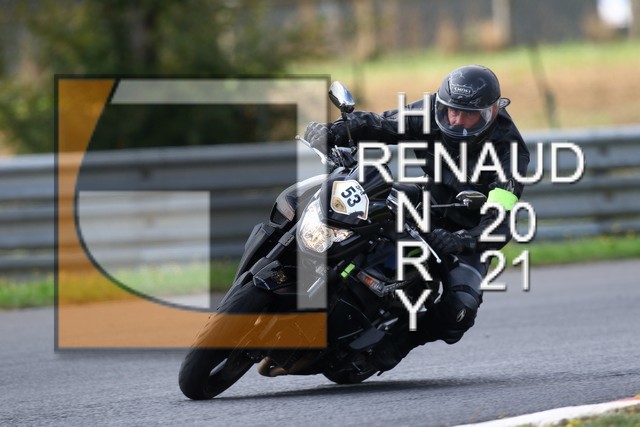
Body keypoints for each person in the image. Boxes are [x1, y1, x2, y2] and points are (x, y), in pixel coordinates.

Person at [303, 64, 530, 370]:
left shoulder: (510, 151)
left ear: (491, 112)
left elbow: (499, 219)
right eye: (452, 111)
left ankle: (402, 342)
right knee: (361, 198)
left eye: (468, 115)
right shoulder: (431, 111)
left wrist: (463, 240)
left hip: (468, 231)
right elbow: (382, 124)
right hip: (426, 201)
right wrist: (334, 131)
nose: (456, 120)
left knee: (460, 310)